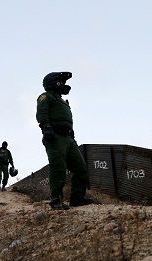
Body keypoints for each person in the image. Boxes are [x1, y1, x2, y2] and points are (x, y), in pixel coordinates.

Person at [36, 71, 94, 210]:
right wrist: (46, 127)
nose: (62, 84)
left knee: (80, 168)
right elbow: (41, 113)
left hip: (68, 138)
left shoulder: (62, 101)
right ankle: (56, 199)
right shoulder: (46, 96)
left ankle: (77, 198)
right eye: (60, 82)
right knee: (58, 167)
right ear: (51, 82)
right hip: (55, 137)